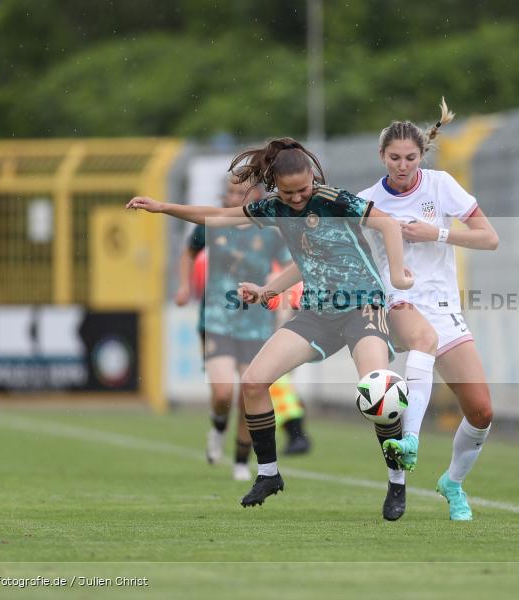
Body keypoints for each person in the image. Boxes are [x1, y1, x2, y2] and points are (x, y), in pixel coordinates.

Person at [127, 138, 413, 515]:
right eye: (290, 192)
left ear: (313, 178)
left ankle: (396, 483)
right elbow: (219, 217)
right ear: (277, 185)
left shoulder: (334, 199)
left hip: (361, 305)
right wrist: (164, 208)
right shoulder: (274, 206)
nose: (297, 199)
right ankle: (268, 473)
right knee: (253, 382)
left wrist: (396, 273)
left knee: (379, 391)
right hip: (316, 312)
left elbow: (388, 225)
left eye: (304, 189)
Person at [359, 98, 499, 521]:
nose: (402, 166)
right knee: (422, 340)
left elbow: (489, 238)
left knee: (481, 410)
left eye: (410, 157)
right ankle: (408, 454)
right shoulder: (367, 201)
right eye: (394, 158)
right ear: (382, 156)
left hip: (443, 305)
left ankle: (451, 483)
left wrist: (436, 232)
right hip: (397, 301)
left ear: (422, 155)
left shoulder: (440, 186)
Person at [174, 176, 311, 482]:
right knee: (223, 393)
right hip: (216, 321)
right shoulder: (212, 225)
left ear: (258, 196)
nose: (234, 197)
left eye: (242, 193)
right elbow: (188, 253)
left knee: (248, 394)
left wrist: (286, 302)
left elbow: (294, 267)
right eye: (231, 192)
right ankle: (218, 425)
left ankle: (239, 460)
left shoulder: (272, 233)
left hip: (255, 324)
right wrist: (184, 285)